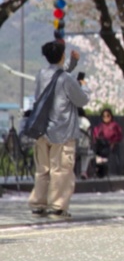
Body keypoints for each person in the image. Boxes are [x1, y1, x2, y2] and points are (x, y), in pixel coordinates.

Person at [28, 41, 90, 219]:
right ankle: (57, 206)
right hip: (61, 132)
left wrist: (71, 62)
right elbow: (82, 100)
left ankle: (39, 204)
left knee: (43, 169)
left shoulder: (41, 74)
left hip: (41, 131)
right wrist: (84, 85)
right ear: (62, 56)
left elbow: (59, 74)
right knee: (61, 170)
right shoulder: (67, 79)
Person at [91, 108, 123, 178]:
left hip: (111, 144)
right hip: (101, 145)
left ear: (111, 116)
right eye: (104, 116)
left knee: (104, 153)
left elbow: (119, 136)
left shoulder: (115, 125)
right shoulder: (100, 126)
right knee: (98, 152)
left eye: (107, 116)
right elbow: (95, 135)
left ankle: (103, 170)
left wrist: (113, 142)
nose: (106, 118)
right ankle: (100, 170)